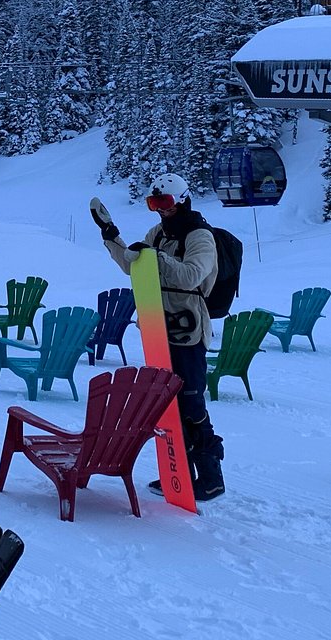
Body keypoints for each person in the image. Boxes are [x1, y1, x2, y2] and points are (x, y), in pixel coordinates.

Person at [97, 173, 225, 502]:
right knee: (166, 404)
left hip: (189, 330)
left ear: (182, 200)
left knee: (191, 403)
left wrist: (156, 257)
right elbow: (134, 267)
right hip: (159, 328)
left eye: (165, 203)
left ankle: (211, 477)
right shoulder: (158, 233)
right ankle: (179, 470)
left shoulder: (200, 236)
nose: (160, 210)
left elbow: (191, 276)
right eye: (154, 203)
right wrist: (111, 235)